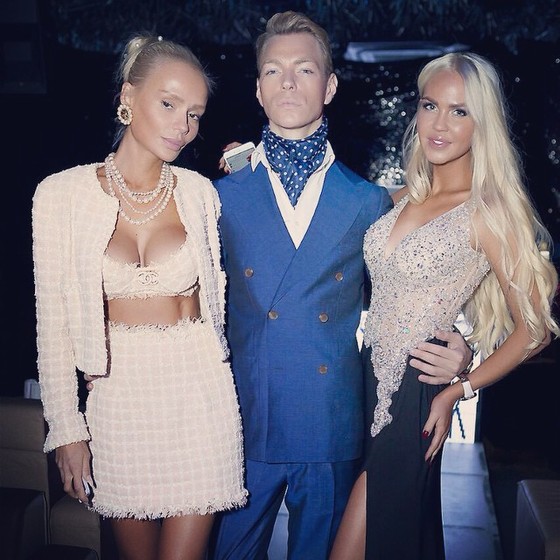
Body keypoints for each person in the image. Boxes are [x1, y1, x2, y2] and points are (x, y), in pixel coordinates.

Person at [208, 12, 473, 560]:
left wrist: (464, 354)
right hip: (242, 417)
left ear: (329, 86)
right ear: (257, 89)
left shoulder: (369, 202)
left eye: (304, 70)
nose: (288, 82)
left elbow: (424, 278)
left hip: (329, 420)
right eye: (273, 70)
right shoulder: (218, 195)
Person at [329, 51, 560, 560]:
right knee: (397, 536)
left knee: (361, 543)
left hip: (415, 390)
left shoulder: (489, 213)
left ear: (483, 123)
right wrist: (256, 160)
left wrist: (460, 387)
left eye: (459, 111)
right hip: (364, 381)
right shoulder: (399, 199)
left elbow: (536, 329)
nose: (438, 124)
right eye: (430, 105)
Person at [32, 34, 247, 560]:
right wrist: (67, 430)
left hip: (199, 392)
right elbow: (53, 327)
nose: (183, 126)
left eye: (195, 114)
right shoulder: (60, 195)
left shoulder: (199, 193)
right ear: (128, 96)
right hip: (119, 397)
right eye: (169, 104)